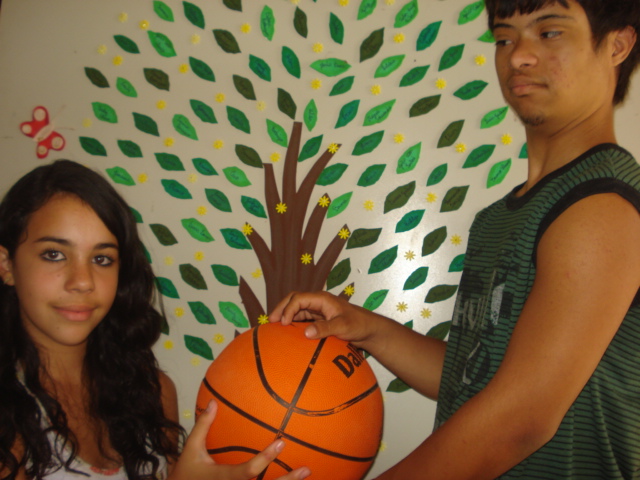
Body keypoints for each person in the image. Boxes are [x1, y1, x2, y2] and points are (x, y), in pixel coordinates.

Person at [270, 0, 640, 478]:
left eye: (549, 33)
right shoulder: (501, 216)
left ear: (617, 45)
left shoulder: (600, 206)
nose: (518, 56)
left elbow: (518, 420)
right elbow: (476, 378)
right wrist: (368, 328)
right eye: (504, 38)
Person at [0, 160, 311, 480]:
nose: (82, 281)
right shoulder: (10, 418)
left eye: (102, 258)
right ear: (6, 264)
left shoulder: (152, 392)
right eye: (54, 254)